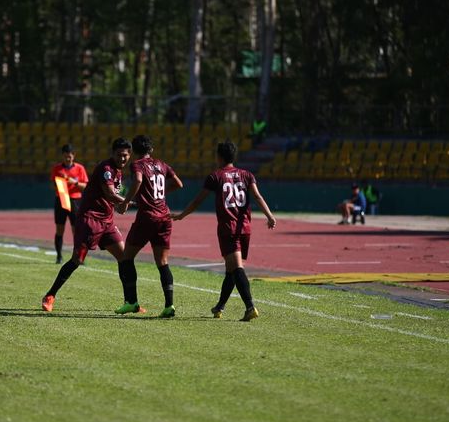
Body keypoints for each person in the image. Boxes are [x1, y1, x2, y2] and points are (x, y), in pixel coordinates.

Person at [171, 140, 276, 321]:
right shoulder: (247, 174)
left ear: (218, 156)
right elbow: (257, 196)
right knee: (230, 269)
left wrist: (181, 215)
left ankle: (250, 306)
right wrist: (269, 215)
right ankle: (219, 307)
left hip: (229, 228)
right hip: (245, 228)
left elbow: (198, 201)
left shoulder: (215, 176)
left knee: (237, 268)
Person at [41, 138, 143, 313]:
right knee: (77, 260)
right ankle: (50, 295)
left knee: (124, 257)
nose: (122, 158)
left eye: (125, 155)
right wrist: (132, 203)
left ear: (130, 155)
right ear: (112, 154)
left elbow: (113, 198)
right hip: (90, 219)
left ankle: (131, 302)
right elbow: (110, 194)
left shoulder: (119, 172)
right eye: (119, 155)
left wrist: (121, 205)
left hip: (107, 221)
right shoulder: (107, 169)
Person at [115, 135, 183, 317]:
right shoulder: (162, 164)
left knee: (126, 258)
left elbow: (137, 180)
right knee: (162, 262)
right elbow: (178, 183)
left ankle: (131, 302)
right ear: (151, 150)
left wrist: (126, 202)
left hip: (147, 217)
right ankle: (169, 306)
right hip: (165, 217)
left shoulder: (137, 165)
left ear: (135, 152)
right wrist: (158, 194)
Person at [50, 144, 89, 264]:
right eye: (66, 157)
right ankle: (59, 256)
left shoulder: (80, 168)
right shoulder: (57, 169)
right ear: (63, 156)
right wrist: (60, 184)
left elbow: (86, 187)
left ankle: (78, 257)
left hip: (75, 200)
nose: (68, 159)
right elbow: (53, 184)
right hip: (61, 199)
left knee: (77, 230)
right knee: (59, 229)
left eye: (70, 157)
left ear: (74, 156)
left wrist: (74, 182)